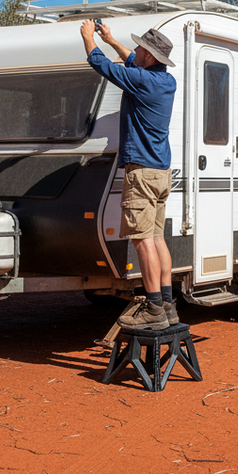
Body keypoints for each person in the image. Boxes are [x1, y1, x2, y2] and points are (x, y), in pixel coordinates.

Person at [82, 19, 178, 331]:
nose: (134, 50)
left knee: (142, 241)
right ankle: (167, 303)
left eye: (140, 47)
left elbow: (104, 67)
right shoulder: (165, 81)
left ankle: (152, 307)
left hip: (142, 171)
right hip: (161, 171)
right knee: (157, 238)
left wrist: (89, 40)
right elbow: (132, 60)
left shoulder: (142, 81)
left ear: (150, 56)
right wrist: (111, 39)